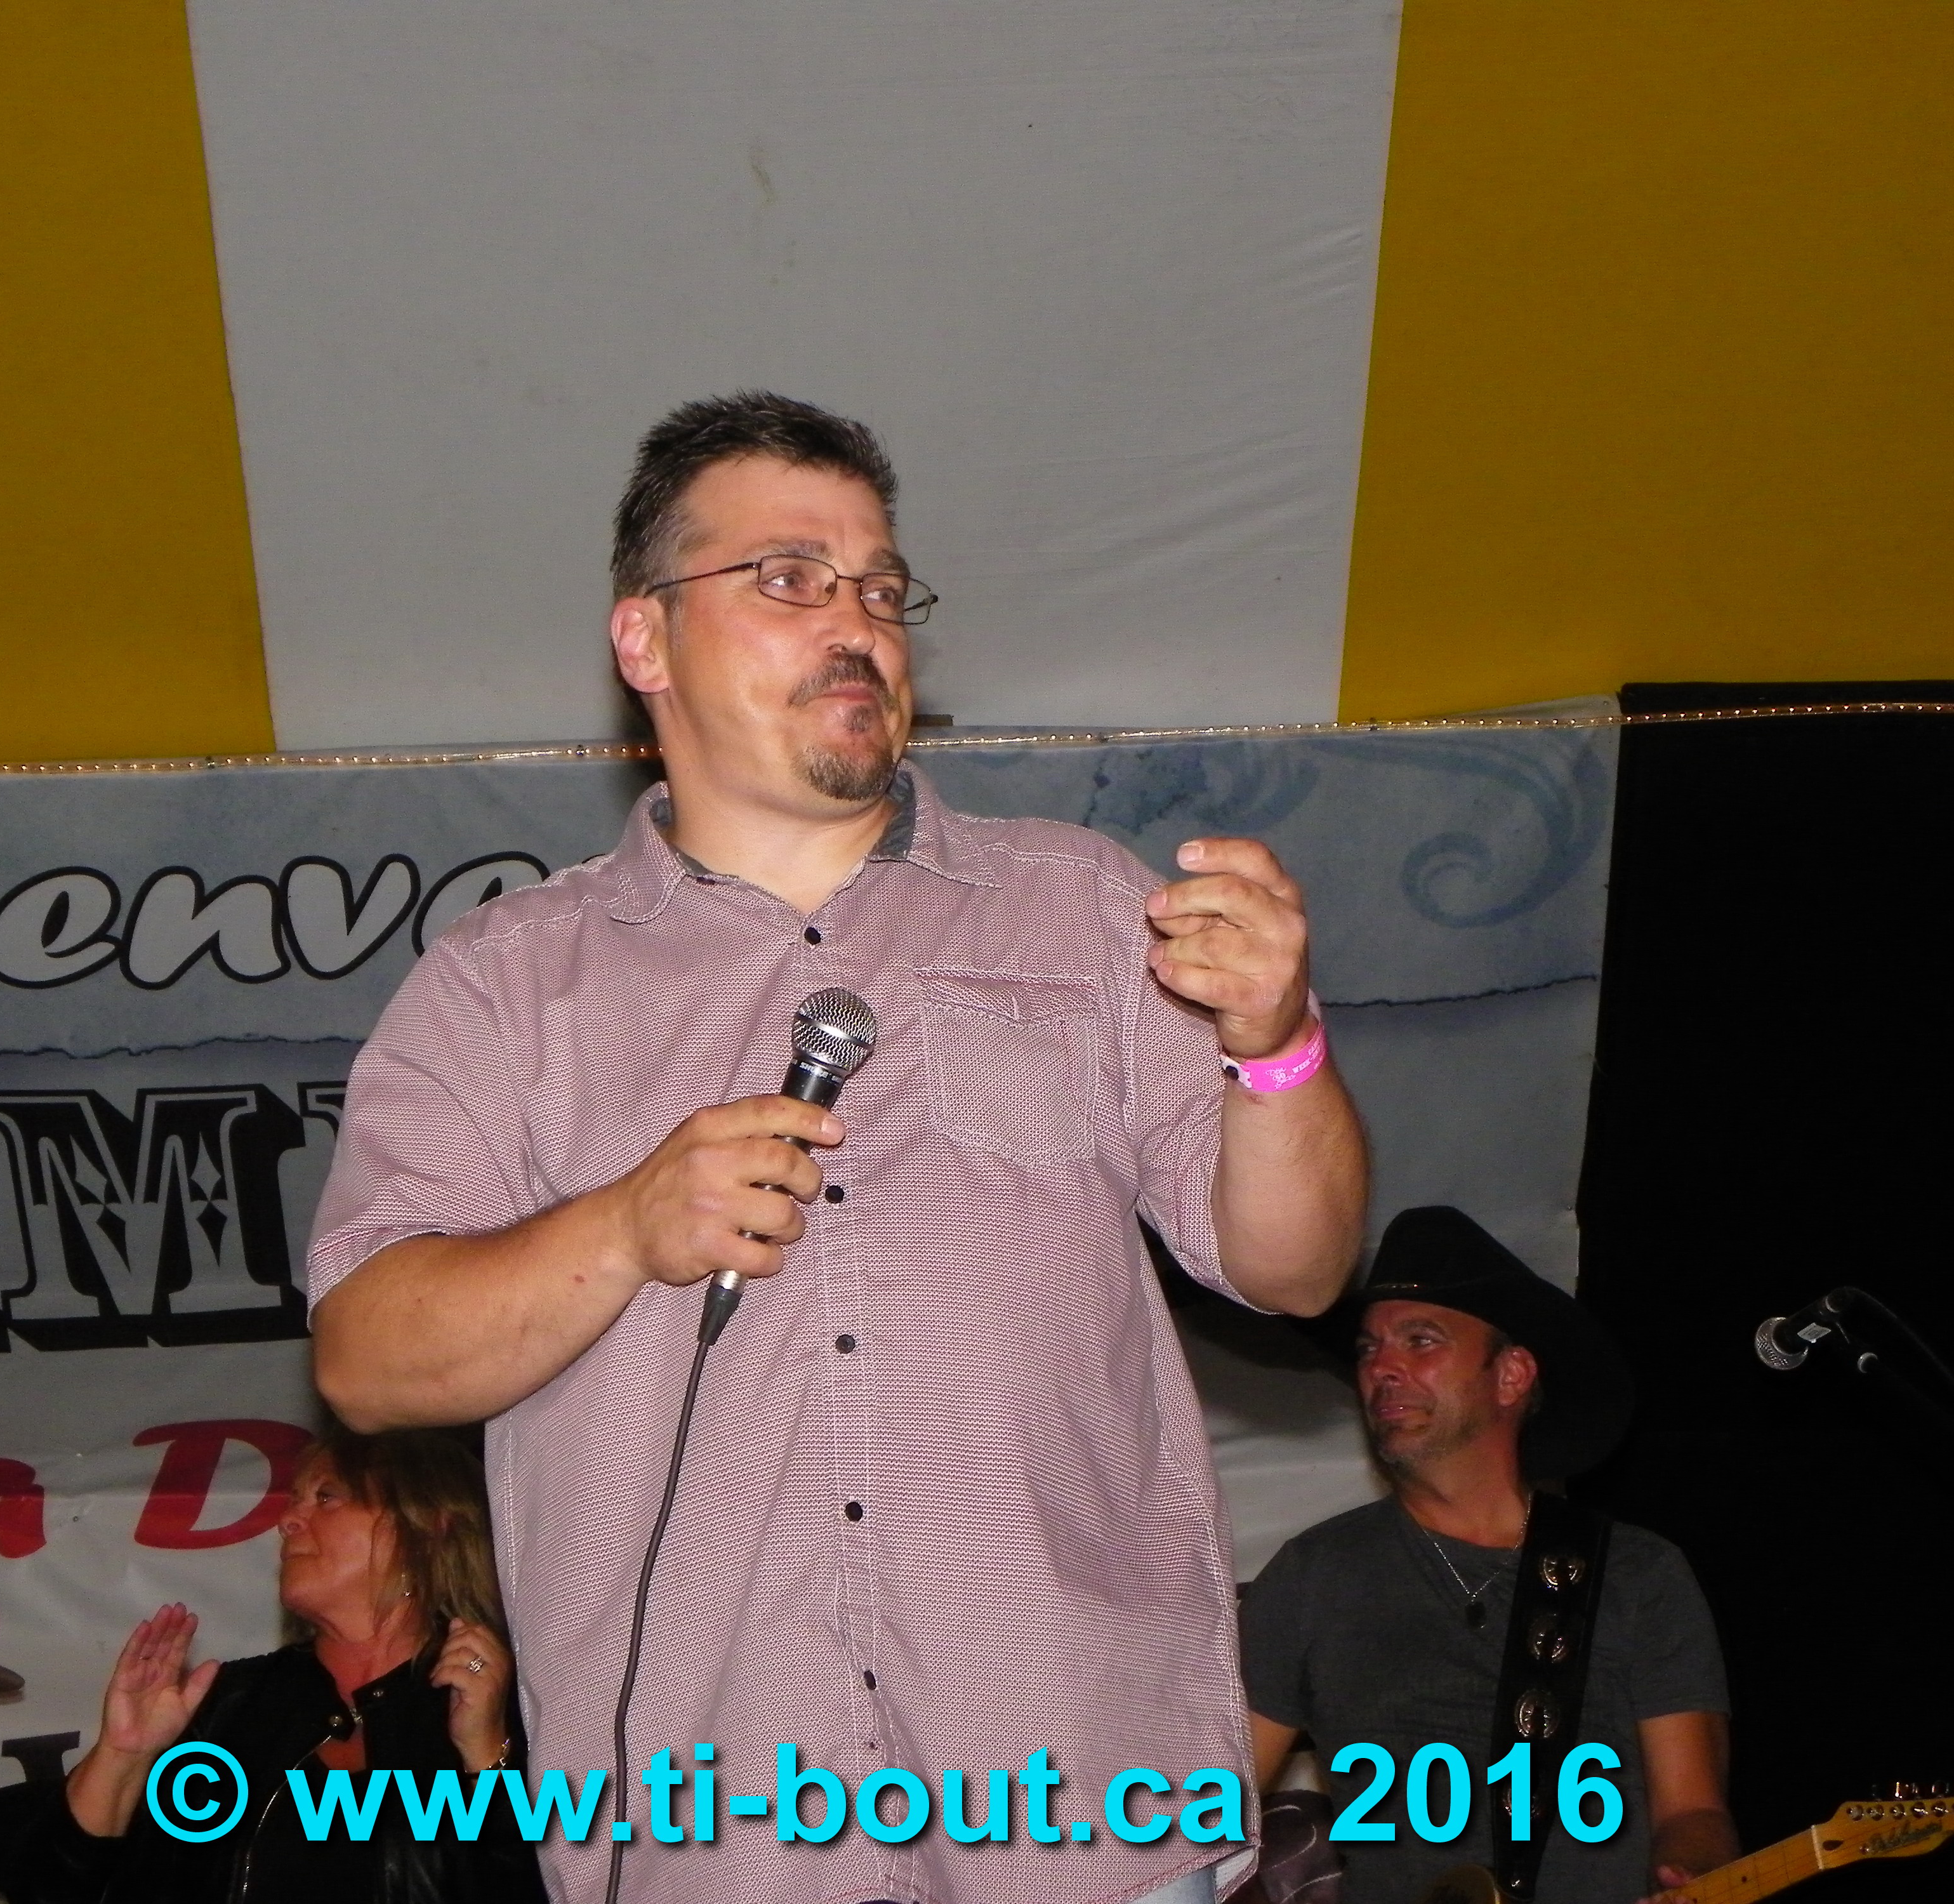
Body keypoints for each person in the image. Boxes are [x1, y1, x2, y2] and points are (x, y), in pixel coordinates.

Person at [304, 392, 1368, 1903]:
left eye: (880, 587)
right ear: (644, 640)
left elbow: (1298, 1268)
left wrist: (1279, 1042)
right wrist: (622, 1225)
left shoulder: (1078, 909)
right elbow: (364, 1353)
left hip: (1078, 1820)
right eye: (790, 578)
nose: (855, 623)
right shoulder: (506, 984)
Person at [1239, 1207, 1738, 1904]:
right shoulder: (1312, 1575)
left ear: (1511, 1376)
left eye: (1421, 1341)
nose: (1382, 1367)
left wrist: (1691, 1877)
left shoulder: (1637, 1574)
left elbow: (1693, 1813)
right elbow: (1212, 1811)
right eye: (1368, 1348)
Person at [0, 1425, 547, 1903]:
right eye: (295, 1500)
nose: (288, 1520)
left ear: (429, 1528)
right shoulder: (234, 1705)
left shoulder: (514, 1708)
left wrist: (487, 1758)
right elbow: (54, 1890)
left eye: (327, 1497)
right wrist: (121, 1757)